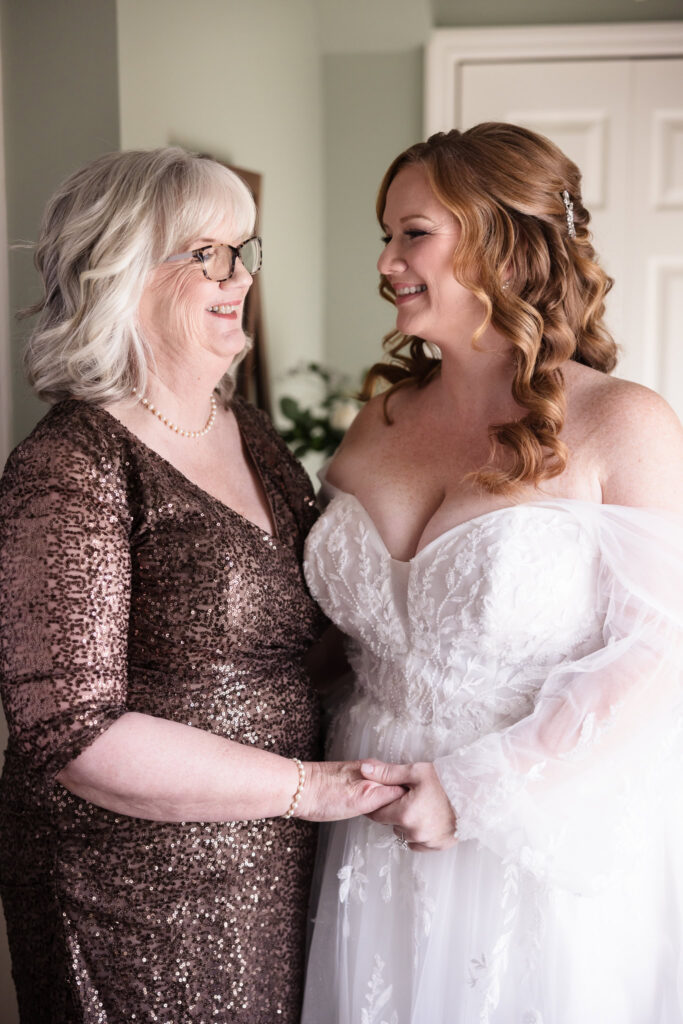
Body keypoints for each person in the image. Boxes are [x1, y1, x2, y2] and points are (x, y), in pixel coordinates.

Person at [0, 146, 403, 1023]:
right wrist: (311, 788)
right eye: (208, 254)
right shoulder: (70, 464)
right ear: (123, 269)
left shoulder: (245, 428)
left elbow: (298, 634)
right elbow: (70, 732)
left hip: (275, 863)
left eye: (243, 251)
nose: (240, 277)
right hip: (129, 888)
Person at [301, 123, 683, 1024]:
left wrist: (473, 791)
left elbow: (657, 650)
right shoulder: (377, 422)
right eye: (385, 235)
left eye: (413, 232)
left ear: (504, 240)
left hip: (534, 830)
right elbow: (340, 638)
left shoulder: (620, 423)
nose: (388, 260)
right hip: (364, 825)